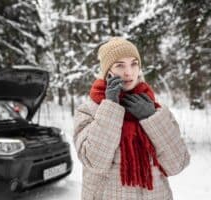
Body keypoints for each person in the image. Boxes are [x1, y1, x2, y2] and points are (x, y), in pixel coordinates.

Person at [73, 37, 190, 200]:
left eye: (134, 63)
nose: (129, 72)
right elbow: (94, 161)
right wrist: (111, 107)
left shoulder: (155, 109)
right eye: (120, 65)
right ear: (107, 71)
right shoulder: (89, 110)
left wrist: (152, 119)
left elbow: (177, 164)